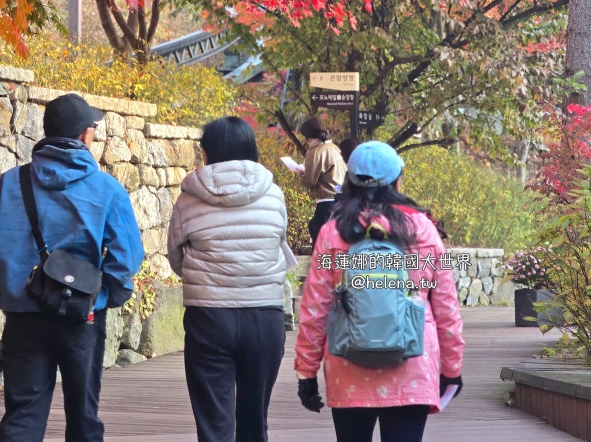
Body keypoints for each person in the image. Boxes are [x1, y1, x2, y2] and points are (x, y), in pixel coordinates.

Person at [0, 93, 145, 442]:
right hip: (83, 317)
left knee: (22, 418)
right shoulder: (106, 189)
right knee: (84, 419)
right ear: (83, 136)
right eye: (92, 128)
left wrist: (6, 297)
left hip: (23, 317)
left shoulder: (11, 183)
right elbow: (127, 258)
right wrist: (102, 296)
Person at [294, 141, 465, 442]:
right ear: (397, 179)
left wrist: (306, 373)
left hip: (348, 365)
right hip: (412, 364)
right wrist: (451, 369)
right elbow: (446, 308)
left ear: (349, 181)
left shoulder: (333, 233)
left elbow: (314, 309)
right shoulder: (422, 229)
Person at [168, 116, 296, 442]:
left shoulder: (188, 198)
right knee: (255, 422)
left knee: (214, 424)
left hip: (208, 318)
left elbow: (176, 259)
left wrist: (207, 280)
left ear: (207, 151)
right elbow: (277, 244)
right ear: (251, 149)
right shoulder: (274, 195)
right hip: (264, 317)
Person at [299, 117, 347, 247]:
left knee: (321, 244)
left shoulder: (315, 152)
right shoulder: (334, 148)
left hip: (326, 201)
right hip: (340, 199)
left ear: (309, 137)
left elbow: (310, 180)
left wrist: (300, 173)